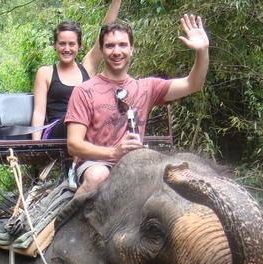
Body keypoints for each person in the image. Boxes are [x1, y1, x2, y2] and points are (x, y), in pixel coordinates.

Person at [65, 14, 210, 193]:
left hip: (135, 163)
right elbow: (73, 145)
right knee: (98, 176)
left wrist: (202, 51)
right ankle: (68, 221)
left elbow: (193, 84)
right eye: (110, 46)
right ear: (101, 51)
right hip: (96, 163)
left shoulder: (147, 87)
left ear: (132, 49)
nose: (116, 51)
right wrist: (113, 153)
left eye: (123, 45)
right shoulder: (84, 90)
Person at [30, 0, 122, 140]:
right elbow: (39, 112)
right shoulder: (45, 73)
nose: (67, 49)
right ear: (55, 45)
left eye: (71, 44)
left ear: (79, 46)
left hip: (86, 128)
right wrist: (36, 146)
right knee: (75, 118)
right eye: (62, 44)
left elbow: (104, 31)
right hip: (57, 130)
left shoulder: (86, 67)